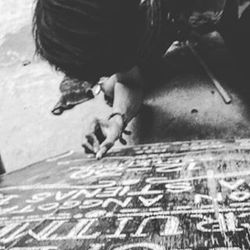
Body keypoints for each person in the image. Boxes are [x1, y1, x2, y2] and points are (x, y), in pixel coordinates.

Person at [32, 0, 238, 159]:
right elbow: (129, 80)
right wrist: (117, 118)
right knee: (112, 88)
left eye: (112, 66)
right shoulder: (123, 19)